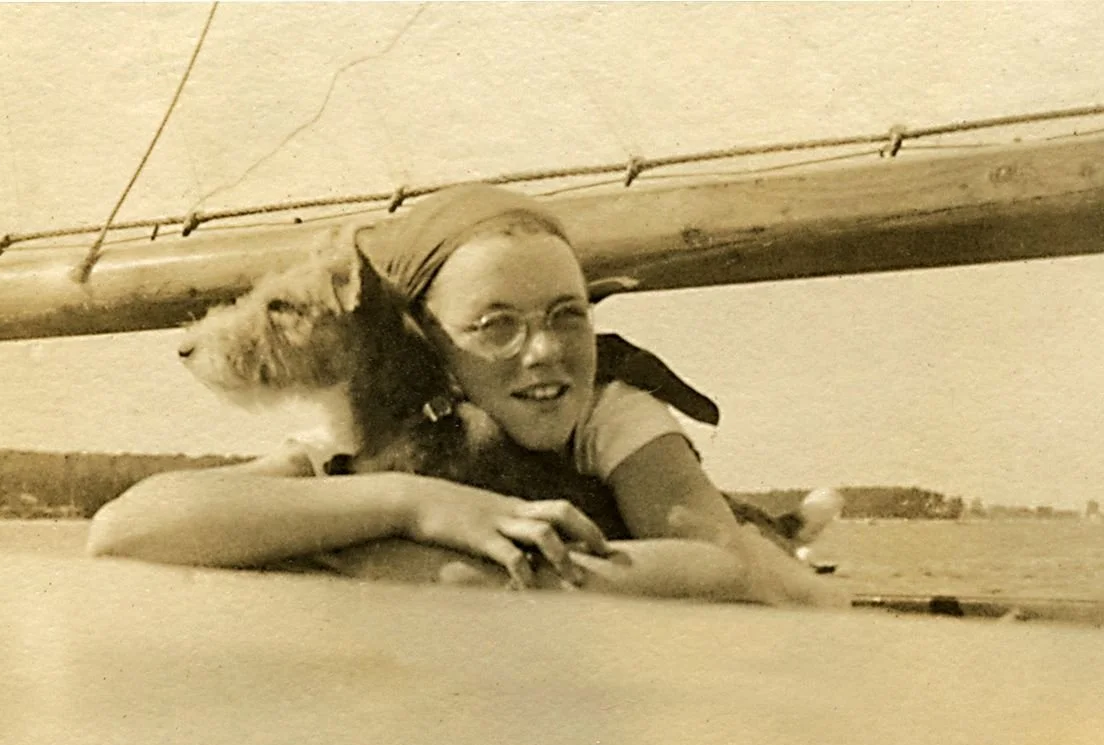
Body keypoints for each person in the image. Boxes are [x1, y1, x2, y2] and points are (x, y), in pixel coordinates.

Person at [87, 185, 846, 607]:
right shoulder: (372, 440)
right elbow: (124, 528)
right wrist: (409, 503)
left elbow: (725, 568)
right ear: (430, 345)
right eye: (495, 326)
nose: (542, 351)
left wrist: (422, 568)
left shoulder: (610, 412)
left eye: (567, 315)